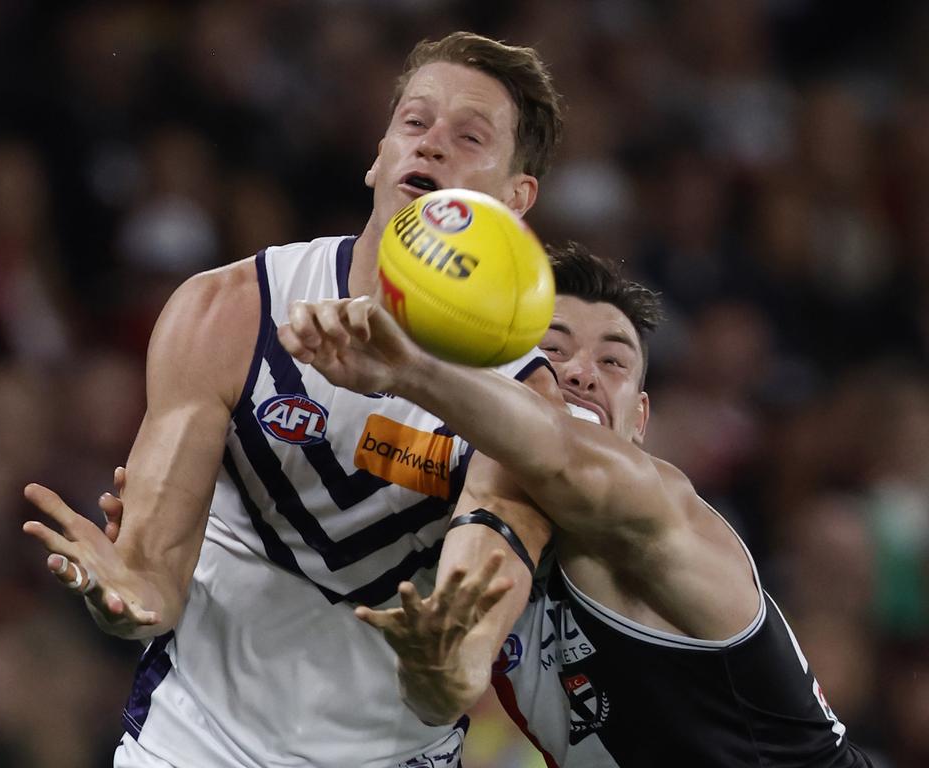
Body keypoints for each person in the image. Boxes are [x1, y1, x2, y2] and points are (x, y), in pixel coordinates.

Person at [21, 32, 563, 768]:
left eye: (468, 137)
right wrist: (119, 595)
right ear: (379, 156)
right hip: (193, 745)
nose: (431, 146)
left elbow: (455, 672)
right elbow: (152, 587)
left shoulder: (522, 404)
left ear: (515, 199)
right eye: (414, 122)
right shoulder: (231, 312)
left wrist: (444, 669)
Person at [276, 242, 876, 767]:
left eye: (613, 361)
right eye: (552, 350)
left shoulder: (661, 506)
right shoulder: (489, 527)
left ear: (638, 421)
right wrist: (431, 672)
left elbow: (563, 454)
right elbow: (445, 690)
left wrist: (408, 368)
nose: (582, 373)